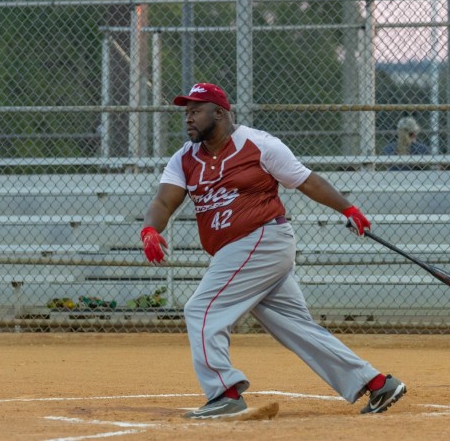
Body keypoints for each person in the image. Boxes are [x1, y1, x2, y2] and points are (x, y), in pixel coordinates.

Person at [140, 83, 406, 419]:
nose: (188, 118)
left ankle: (225, 392)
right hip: (240, 252)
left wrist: (348, 209)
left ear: (219, 113)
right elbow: (164, 200)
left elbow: (307, 180)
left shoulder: (260, 145)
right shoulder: (185, 158)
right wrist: (150, 228)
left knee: (201, 310)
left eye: (196, 110)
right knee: (295, 326)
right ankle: (377, 383)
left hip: (261, 239)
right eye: (186, 111)